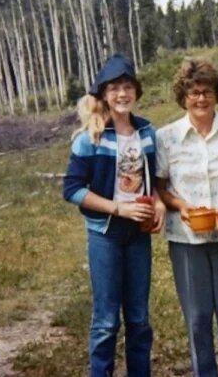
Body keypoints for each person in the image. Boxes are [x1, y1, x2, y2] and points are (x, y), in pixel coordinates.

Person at [63, 53, 166, 377]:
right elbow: (73, 189)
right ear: (104, 95)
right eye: (114, 88)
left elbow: (156, 179)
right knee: (107, 321)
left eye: (128, 87)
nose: (122, 94)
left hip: (138, 234)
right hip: (105, 234)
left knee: (138, 319)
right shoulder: (89, 138)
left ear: (136, 91)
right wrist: (117, 207)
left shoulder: (148, 132)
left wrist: (159, 202)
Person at [155, 58, 218, 377]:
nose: (200, 98)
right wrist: (180, 205)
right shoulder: (166, 137)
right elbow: (161, 187)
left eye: (207, 91)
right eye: (193, 92)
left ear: (217, 94)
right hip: (187, 239)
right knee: (197, 318)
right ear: (183, 96)